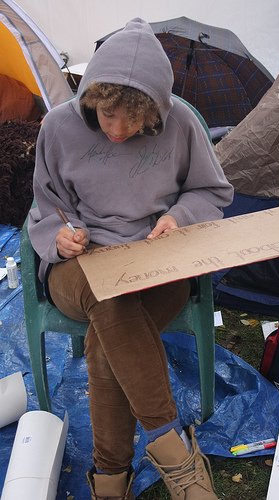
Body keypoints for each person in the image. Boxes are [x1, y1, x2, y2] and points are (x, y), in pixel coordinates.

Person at [28, 18, 234, 500]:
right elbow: (45, 201)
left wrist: (180, 217)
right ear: (91, 100)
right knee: (109, 297)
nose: (118, 130)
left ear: (156, 111)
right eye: (106, 116)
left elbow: (212, 191)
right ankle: (176, 454)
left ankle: (110, 478)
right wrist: (60, 236)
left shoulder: (181, 123)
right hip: (79, 265)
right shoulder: (58, 125)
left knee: (108, 335)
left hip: (155, 260)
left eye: (134, 120)